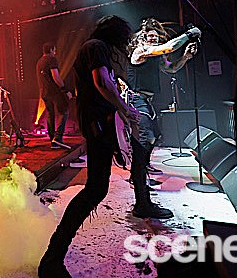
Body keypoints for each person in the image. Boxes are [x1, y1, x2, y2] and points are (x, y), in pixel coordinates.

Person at [39, 16, 164, 278]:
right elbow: (102, 82)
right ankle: (51, 259)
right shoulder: (96, 47)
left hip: (99, 122)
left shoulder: (96, 47)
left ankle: (53, 256)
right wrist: (125, 109)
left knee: (96, 188)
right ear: (116, 33)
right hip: (96, 122)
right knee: (95, 189)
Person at [126, 18, 199, 180]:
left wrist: (185, 57)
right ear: (143, 37)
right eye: (150, 36)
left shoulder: (156, 56)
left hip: (147, 101)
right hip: (136, 99)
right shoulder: (140, 51)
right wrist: (188, 34)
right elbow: (169, 47)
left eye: (156, 36)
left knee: (155, 136)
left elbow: (171, 69)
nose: (154, 38)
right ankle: (136, 176)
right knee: (145, 136)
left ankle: (144, 166)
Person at [36, 42, 72, 149]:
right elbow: (56, 77)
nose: (55, 52)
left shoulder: (39, 62)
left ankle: (52, 139)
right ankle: (58, 138)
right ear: (51, 50)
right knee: (64, 111)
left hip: (44, 92)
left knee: (50, 114)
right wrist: (65, 90)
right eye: (54, 50)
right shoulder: (51, 60)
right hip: (54, 92)